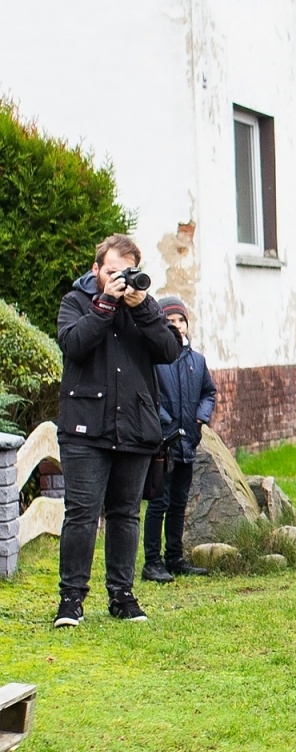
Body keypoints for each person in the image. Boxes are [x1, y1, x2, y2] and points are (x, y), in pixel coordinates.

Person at [53, 234, 182, 627]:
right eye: (111, 272)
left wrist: (141, 309)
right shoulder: (75, 302)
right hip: (84, 428)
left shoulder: (145, 306)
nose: (119, 279)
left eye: (125, 273)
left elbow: (170, 350)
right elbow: (74, 344)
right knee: (82, 514)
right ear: (96, 270)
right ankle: (71, 600)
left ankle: (122, 596)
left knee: (126, 514)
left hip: (135, 426)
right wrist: (105, 303)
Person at [142, 296, 216, 584]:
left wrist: (200, 418)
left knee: (178, 504)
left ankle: (174, 557)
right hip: (163, 445)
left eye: (180, 320)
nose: (176, 326)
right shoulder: (155, 359)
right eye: (169, 321)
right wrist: (165, 422)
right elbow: (149, 394)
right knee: (158, 503)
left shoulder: (196, 361)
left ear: (187, 324)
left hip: (188, 444)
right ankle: (152, 562)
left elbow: (209, 392)